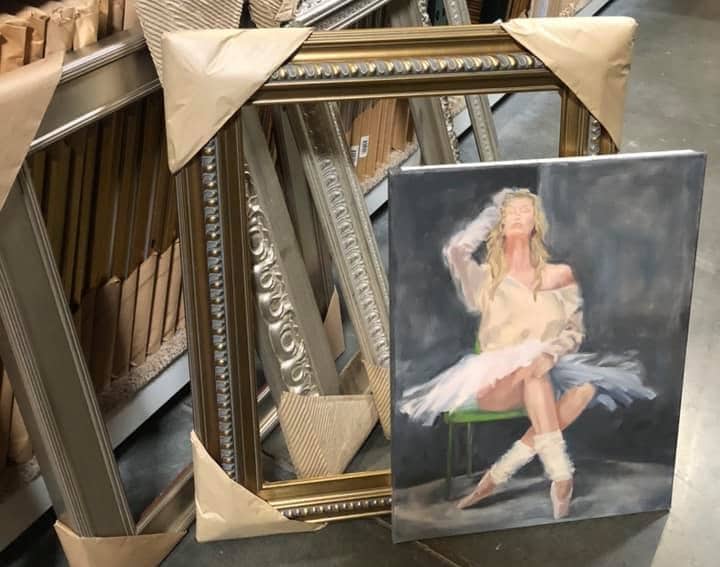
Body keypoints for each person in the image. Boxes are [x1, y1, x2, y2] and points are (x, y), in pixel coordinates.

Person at [398, 188, 656, 520]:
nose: (519, 215)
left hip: (549, 369)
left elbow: (574, 332)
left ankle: (496, 476)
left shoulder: (560, 274)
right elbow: (456, 250)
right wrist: (493, 211)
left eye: (526, 210)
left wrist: (550, 355)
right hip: (496, 380)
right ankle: (561, 476)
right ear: (501, 223)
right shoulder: (485, 279)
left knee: (585, 388)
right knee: (535, 375)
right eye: (511, 211)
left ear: (537, 222)